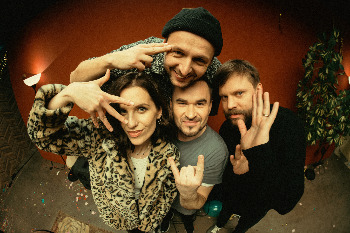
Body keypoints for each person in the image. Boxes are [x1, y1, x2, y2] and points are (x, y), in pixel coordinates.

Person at [27, 70, 180, 233]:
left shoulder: (169, 151)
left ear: (159, 111)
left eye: (141, 109)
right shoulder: (98, 137)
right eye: (123, 110)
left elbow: (168, 190)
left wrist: (155, 218)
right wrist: (68, 94)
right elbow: (42, 137)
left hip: (150, 222)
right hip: (119, 219)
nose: (131, 123)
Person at [206, 60, 306, 233]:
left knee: (245, 223)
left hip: (258, 202)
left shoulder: (290, 125)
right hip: (233, 195)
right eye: (224, 97)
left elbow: (286, 203)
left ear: (257, 90)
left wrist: (259, 152)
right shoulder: (228, 127)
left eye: (239, 93)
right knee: (224, 213)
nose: (230, 105)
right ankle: (219, 224)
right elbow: (227, 172)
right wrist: (237, 173)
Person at [162, 79, 228, 233]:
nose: (191, 114)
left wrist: (188, 193)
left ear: (210, 106)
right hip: (160, 202)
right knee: (164, 217)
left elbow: (199, 200)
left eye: (200, 103)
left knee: (187, 217)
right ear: (171, 104)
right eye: (182, 103)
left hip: (186, 206)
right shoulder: (159, 130)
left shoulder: (217, 151)